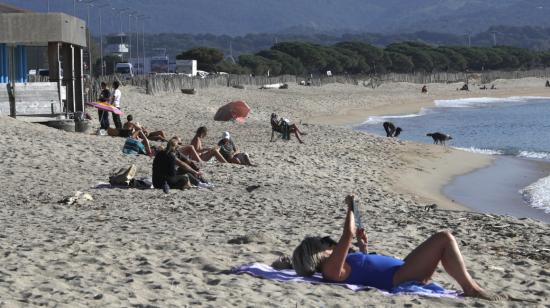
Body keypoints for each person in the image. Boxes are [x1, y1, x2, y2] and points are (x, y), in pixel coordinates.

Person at [290, 195, 506, 301]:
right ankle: (471, 289)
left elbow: (364, 271)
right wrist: (350, 209)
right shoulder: (329, 270)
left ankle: (472, 286)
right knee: (444, 238)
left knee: (441, 241)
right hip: (400, 277)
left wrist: (363, 247)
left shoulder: (334, 267)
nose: (327, 244)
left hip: (401, 270)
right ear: (316, 252)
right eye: (323, 243)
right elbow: (347, 234)